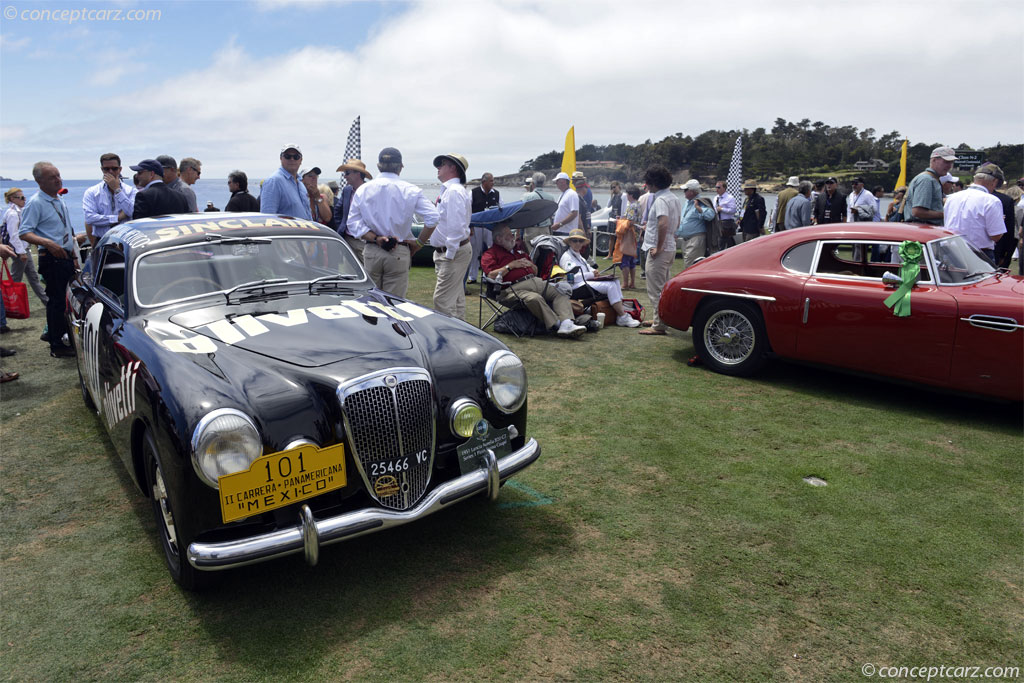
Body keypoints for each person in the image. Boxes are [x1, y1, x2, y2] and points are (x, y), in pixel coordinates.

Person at [348, 147, 438, 298]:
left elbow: (353, 223)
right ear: (400, 167)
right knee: (394, 305)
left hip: (373, 248)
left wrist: (375, 238)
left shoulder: (364, 189)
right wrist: (419, 243)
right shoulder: (410, 190)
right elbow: (433, 218)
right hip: (398, 250)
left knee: (371, 302)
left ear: (378, 166)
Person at [480, 223, 586, 338]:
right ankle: (558, 324)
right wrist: (510, 266)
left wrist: (531, 265)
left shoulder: (518, 251)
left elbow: (535, 271)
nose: (513, 237)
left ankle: (567, 323)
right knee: (534, 298)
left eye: (513, 234)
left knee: (561, 290)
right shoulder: (490, 254)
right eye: (509, 235)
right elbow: (490, 275)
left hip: (535, 281)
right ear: (499, 239)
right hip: (511, 289)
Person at [17, 162, 76, 358]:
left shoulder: (58, 199)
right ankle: (56, 344)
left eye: (58, 175)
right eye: (52, 177)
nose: (58, 179)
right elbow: (24, 232)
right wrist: (49, 243)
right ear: (39, 181)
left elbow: (65, 229)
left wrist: (73, 254)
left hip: (65, 256)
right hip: (51, 258)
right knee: (57, 302)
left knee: (66, 301)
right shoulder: (36, 203)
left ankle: (63, 337)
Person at [418, 153, 473, 319]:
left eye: (442, 164)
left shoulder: (454, 191)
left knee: (442, 300)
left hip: (453, 253)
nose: (438, 167)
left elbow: (456, 227)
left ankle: (450, 339)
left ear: (453, 168)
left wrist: (449, 254)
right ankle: (461, 337)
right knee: (455, 300)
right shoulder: (452, 191)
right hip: (451, 251)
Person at [558, 229, 639, 327]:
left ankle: (621, 312)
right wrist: (592, 274)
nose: (578, 243)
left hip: (584, 283)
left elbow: (589, 268)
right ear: (570, 242)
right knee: (610, 286)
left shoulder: (579, 256)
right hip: (575, 286)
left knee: (615, 281)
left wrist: (595, 272)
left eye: (580, 241)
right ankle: (622, 316)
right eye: (575, 240)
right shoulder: (567, 257)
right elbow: (572, 278)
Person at [638, 166, 681, 336]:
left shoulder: (661, 200)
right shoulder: (673, 198)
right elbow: (675, 222)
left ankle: (659, 324)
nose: (646, 186)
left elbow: (663, 222)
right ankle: (661, 318)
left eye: (648, 182)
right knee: (663, 288)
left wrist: (659, 246)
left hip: (660, 249)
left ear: (654, 183)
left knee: (655, 288)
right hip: (669, 246)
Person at [944, 163, 1006, 261]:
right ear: (994, 181)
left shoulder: (951, 198)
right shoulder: (991, 200)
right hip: (979, 254)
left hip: (951, 251)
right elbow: (995, 236)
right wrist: (1000, 221)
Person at [2, 188, 48, 305]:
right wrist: (22, 252)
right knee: (16, 279)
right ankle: (7, 304)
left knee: (31, 277)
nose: (24, 200)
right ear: (13, 199)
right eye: (21, 198)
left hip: (22, 249)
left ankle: (46, 301)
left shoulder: (17, 211)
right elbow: (14, 235)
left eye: (24, 197)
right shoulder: (13, 214)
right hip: (19, 250)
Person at [82, 153, 137, 246]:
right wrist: (117, 218)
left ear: (120, 169)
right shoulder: (92, 192)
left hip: (126, 241)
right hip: (103, 240)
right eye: (106, 169)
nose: (110, 172)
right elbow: (89, 218)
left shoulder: (131, 191)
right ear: (102, 170)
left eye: (114, 168)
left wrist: (117, 190)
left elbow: (133, 212)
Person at [904, 146, 956, 224]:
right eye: (946, 162)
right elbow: (918, 212)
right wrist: (946, 214)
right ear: (934, 160)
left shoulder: (932, 179)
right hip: (923, 229)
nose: (949, 166)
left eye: (951, 162)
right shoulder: (926, 180)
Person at [332, 159, 372, 259]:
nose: (345, 176)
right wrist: (342, 227)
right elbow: (338, 210)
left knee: (367, 271)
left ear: (358, 174)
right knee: (350, 272)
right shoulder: (347, 190)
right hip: (348, 239)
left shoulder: (371, 192)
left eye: (347, 173)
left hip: (364, 241)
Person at [260, 145, 312, 219]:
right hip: (287, 231)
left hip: (305, 230)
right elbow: (268, 219)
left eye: (296, 157)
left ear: (301, 160)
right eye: (287, 156)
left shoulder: (300, 183)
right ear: (281, 158)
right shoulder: (274, 181)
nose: (292, 159)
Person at [468, 172, 500, 283]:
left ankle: (488, 276)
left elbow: (501, 209)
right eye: (491, 181)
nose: (493, 183)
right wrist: (470, 226)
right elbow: (468, 210)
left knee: (490, 251)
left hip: (490, 227)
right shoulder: (473, 193)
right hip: (476, 227)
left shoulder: (496, 194)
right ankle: (472, 276)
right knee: (475, 251)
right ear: (484, 182)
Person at [676, 179, 714, 269]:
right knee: (688, 265)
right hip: (686, 240)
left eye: (686, 190)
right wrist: (677, 233)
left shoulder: (700, 202)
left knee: (691, 266)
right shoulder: (687, 202)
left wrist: (699, 208)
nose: (684, 192)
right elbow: (684, 220)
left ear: (692, 192)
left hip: (695, 239)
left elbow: (711, 215)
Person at [613, 186, 641, 289]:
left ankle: (625, 283)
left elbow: (630, 222)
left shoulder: (632, 206)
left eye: (628, 194)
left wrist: (619, 222)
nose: (627, 196)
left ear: (631, 195)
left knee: (625, 260)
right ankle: (632, 282)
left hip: (629, 235)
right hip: (635, 236)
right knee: (632, 260)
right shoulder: (638, 204)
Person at [520, 171, 552, 247]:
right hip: (545, 229)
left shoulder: (527, 197)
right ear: (543, 183)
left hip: (531, 229)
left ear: (533, 183)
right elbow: (550, 215)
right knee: (544, 254)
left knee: (531, 255)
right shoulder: (550, 197)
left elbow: (522, 214)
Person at [714, 180, 737, 250]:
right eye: (716, 187)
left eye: (718, 187)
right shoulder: (715, 198)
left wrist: (722, 209)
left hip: (727, 223)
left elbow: (733, 210)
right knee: (719, 241)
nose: (716, 189)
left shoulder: (730, 198)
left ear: (724, 188)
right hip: (718, 222)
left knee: (725, 241)